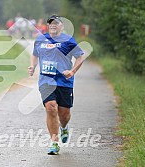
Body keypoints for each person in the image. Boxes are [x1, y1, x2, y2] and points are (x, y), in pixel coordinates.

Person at [28, 14, 84, 155]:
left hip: (64, 82)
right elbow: (35, 54)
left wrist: (72, 71)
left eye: (56, 23)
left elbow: (80, 57)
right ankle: (54, 142)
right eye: (51, 23)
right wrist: (32, 66)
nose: (53, 25)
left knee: (64, 115)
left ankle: (64, 127)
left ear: (62, 26)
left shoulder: (68, 40)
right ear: (48, 25)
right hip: (46, 80)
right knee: (51, 107)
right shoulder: (41, 39)